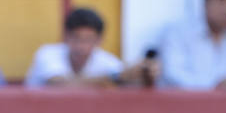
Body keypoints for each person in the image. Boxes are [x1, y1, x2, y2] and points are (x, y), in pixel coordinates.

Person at [23, 7, 152, 88]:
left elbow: (130, 83)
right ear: (65, 37)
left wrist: (144, 74)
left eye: (88, 40)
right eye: (76, 38)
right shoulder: (47, 53)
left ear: (99, 41)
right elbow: (59, 85)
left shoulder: (106, 61)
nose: (81, 46)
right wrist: (116, 78)